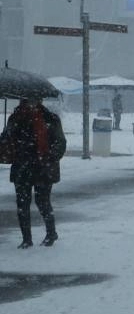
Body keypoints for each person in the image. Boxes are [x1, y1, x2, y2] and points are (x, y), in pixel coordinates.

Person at [1, 96, 69, 248]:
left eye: (33, 100)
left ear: (39, 101)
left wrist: (49, 157)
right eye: (26, 100)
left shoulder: (50, 118)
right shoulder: (15, 118)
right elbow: (7, 139)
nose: (29, 103)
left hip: (42, 167)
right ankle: (26, 239)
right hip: (22, 166)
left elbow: (60, 142)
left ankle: (51, 233)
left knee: (42, 201)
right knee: (22, 204)